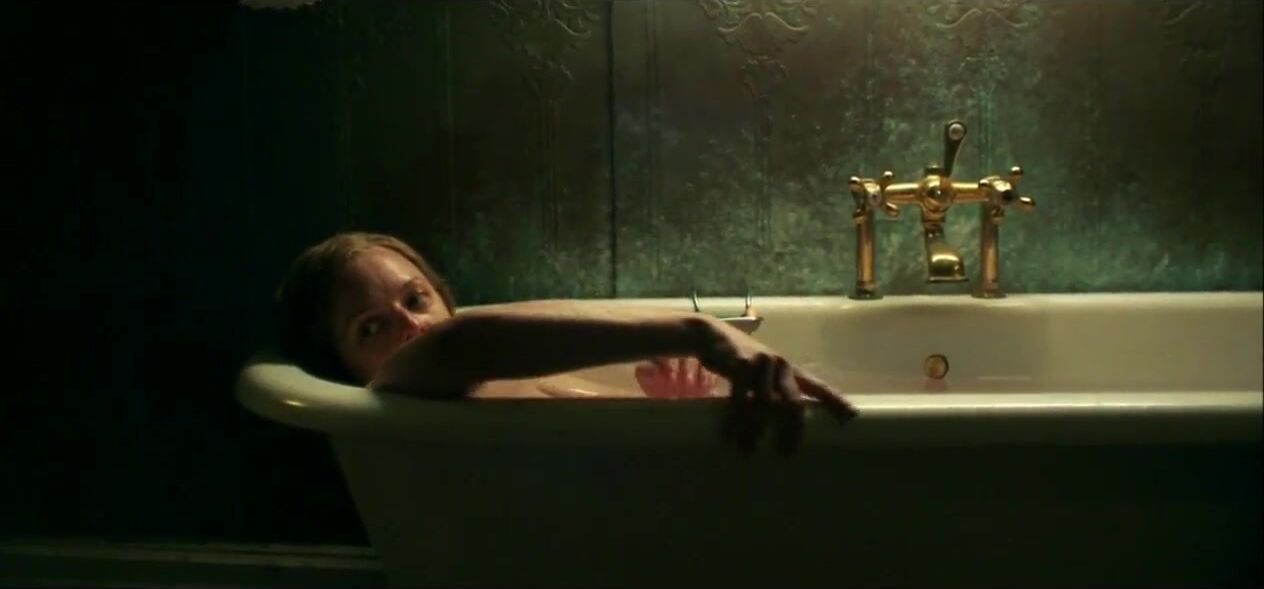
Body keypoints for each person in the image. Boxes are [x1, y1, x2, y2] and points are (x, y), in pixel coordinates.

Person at [275, 232, 857, 454]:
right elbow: (461, 344)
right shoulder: (396, 390)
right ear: (343, 368)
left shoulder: (513, 379)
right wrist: (702, 332)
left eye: (416, 298)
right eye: (371, 327)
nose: (410, 325)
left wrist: (668, 414)